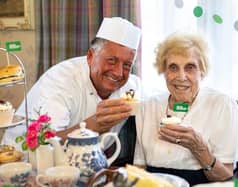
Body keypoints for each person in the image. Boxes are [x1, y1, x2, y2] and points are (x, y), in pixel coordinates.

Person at [2, 17, 141, 151]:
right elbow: (46, 144)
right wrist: (94, 124)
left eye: (127, 65)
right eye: (111, 61)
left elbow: (158, 102)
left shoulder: (131, 87)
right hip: (25, 163)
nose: (118, 72)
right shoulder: (61, 81)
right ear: (91, 56)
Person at [134, 33, 238, 186]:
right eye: (173, 67)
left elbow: (225, 178)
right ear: (163, 71)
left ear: (202, 71)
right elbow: (139, 169)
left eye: (190, 67)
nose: (181, 76)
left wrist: (198, 148)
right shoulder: (148, 107)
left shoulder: (222, 105)